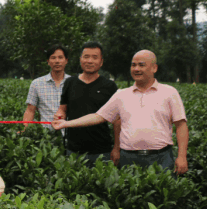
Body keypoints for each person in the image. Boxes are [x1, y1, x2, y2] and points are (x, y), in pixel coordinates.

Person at [52, 50, 188, 174]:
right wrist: (66, 124)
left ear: (154, 68)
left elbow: (181, 125)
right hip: (128, 158)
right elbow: (98, 116)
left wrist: (182, 156)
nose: (136, 69)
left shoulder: (169, 93)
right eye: (133, 65)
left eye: (141, 65)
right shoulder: (121, 95)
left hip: (161, 157)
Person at [55, 42, 120, 166]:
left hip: (102, 150)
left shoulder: (109, 86)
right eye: (86, 57)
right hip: (74, 149)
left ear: (101, 61)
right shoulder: (70, 83)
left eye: (94, 57)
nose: (89, 61)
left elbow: (117, 120)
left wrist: (116, 148)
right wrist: (59, 115)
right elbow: (62, 109)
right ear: (80, 59)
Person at [23, 44, 70, 130]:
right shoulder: (36, 84)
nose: (57, 61)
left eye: (60, 57)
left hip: (70, 134)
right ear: (48, 61)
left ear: (66, 60)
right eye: (53, 58)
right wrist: (24, 130)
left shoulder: (73, 83)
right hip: (46, 135)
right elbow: (30, 110)